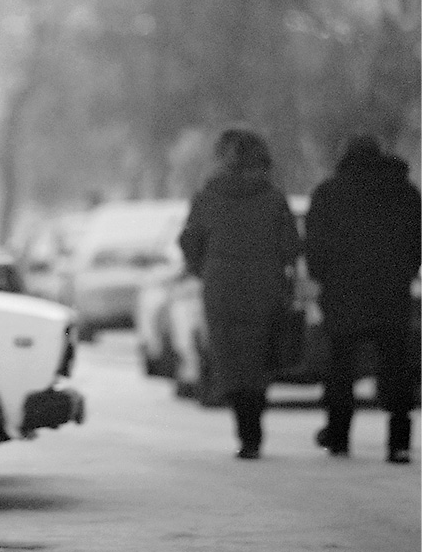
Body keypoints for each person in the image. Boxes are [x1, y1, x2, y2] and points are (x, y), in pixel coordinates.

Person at [178, 127, 301, 459]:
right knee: (260, 357)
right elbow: (291, 245)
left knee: (230, 357)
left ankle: (245, 431)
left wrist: (200, 267)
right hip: (266, 286)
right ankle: (254, 425)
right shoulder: (273, 197)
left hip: (222, 287)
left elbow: (190, 239)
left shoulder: (209, 196)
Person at [304, 135, 421, 464]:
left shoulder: (329, 193)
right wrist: (404, 273)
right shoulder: (405, 192)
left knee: (341, 367)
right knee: (396, 367)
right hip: (391, 293)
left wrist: (323, 276)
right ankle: (399, 440)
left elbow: (315, 244)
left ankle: (339, 436)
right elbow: (416, 241)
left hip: (343, 293)